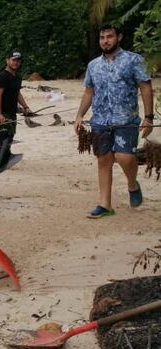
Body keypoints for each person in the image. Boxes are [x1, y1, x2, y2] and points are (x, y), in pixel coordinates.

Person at [74, 24, 154, 218]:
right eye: (102, 37)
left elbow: (145, 87)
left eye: (109, 36)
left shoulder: (134, 60)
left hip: (126, 120)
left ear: (119, 37)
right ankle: (105, 205)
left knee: (125, 157)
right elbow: (89, 92)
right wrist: (79, 115)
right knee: (104, 160)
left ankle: (132, 185)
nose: (105, 41)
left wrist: (148, 117)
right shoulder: (93, 65)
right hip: (100, 121)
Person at [0, 51, 32, 143]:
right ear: (7, 61)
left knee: (10, 136)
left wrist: (26, 107)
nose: (16, 63)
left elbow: (17, 93)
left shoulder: (18, 77)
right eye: (13, 60)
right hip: (2, 112)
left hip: (12, 111)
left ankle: (2, 151)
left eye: (18, 61)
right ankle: (0, 151)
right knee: (5, 136)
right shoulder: (2, 77)